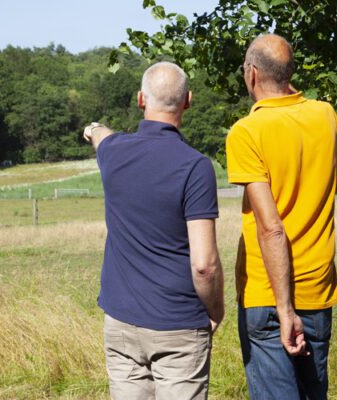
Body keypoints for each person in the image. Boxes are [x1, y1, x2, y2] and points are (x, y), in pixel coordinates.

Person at [83, 61, 225, 400]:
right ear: (188, 101)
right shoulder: (195, 167)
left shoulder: (114, 152)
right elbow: (204, 264)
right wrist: (215, 311)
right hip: (177, 324)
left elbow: (101, 136)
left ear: (140, 99)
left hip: (120, 320)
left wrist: (92, 128)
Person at [226, 34, 337, 399]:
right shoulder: (325, 115)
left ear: (251, 74)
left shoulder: (246, 132)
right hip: (318, 291)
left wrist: (284, 309)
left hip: (268, 298)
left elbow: (271, 228)